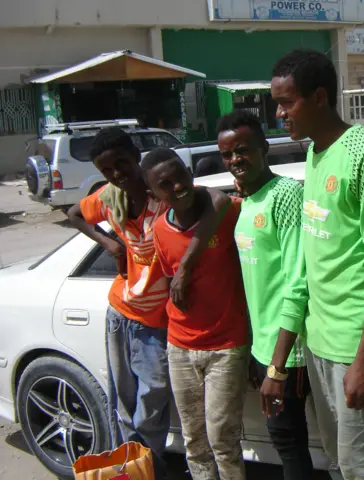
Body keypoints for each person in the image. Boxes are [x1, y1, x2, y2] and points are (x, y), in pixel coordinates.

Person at [271, 49, 364, 479]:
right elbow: (313, 261)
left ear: (320, 98)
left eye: (286, 102)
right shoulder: (314, 155)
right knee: (338, 462)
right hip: (320, 342)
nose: (279, 114)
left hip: (355, 347)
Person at [66, 128, 225, 478]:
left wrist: (183, 269)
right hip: (120, 312)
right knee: (123, 402)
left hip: (157, 320)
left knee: (150, 405)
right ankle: (132, 470)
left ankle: (144, 466)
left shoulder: (166, 195)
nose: (117, 174)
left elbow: (214, 200)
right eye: (108, 171)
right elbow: (74, 213)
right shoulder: (110, 198)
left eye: (121, 163)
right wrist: (110, 245)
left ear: (136, 155)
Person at [217, 110, 314, 479]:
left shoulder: (286, 195)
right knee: (287, 442)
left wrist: (277, 365)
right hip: (263, 347)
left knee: (290, 443)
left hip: (289, 350)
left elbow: (296, 282)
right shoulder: (247, 202)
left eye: (242, 150)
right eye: (227, 155)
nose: (235, 160)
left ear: (264, 147)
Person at [141, 148, 249, 479]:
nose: (177, 187)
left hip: (226, 345)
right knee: (194, 442)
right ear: (154, 193)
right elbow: (167, 278)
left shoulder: (229, 211)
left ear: (191, 174)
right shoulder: (160, 229)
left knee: (223, 442)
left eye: (180, 176)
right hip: (180, 347)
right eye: (165, 184)